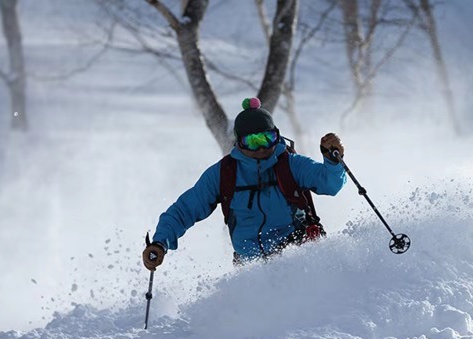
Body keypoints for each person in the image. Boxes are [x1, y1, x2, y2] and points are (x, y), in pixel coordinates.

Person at [142, 97, 347, 270]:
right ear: (239, 143)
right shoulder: (224, 174)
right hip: (250, 268)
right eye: (253, 141)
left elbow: (330, 184)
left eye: (267, 138)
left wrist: (333, 161)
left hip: (297, 258)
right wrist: (161, 242)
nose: (261, 148)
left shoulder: (291, 165)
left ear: (276, 136)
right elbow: (184, 210)